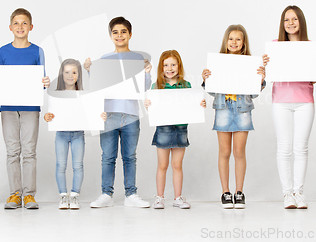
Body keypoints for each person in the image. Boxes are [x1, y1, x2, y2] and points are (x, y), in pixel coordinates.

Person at [0, 8, 50, 209]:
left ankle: (29, 195)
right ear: (10, 27)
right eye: (16, 23)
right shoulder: (2, 51)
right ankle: (14, 194)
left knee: (29, 151)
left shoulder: (38, 51)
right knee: (12, 151)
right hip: (8, 108)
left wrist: (45, 81)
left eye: (24, 23)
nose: (20, 27)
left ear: (31, 27)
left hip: (30, 107)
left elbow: (42, 80)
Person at [84, 16, 152, 208]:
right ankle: (107, 193)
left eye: (123, 32)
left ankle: (131, 194)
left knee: (130, 156)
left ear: (130, 34)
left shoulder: (138, 58)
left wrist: (147, 72)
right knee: (108, 156)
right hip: (109, 113)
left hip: (131, 113)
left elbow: (144, 87)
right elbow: (97, 86)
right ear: (110, 35)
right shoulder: (105, 59)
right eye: (115, 32)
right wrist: (90, 71)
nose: (119, 35)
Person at [263, 5, 316, 209]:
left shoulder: (310, 47)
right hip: (281, 100)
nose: (290, 23)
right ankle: (287, 194)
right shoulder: (275, 46)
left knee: (301, 148)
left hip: (304, 101)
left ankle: (299, 192)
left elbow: (314, 79)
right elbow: (267, 74)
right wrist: (265, 65)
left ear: (301, 22)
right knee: (284, 147)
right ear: (282, 24)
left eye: (294, 19)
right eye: (286, 20)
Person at [201, 25, 266, 209]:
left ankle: (239, 192)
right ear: (226, 41)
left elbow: (253, 94)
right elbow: (212, 91)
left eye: (238, 39)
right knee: (224, 152)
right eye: (231, 39)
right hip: (223, 108)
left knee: (239, 152)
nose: (234, 42)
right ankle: (225, 192)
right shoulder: (218, 62)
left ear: (243, 42)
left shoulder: (250, 63)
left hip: (242, 108)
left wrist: (260, 80)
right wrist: (206, 80)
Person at [145, 50, 206, 209]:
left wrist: (199, 105)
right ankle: (159, 198)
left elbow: (192, 105)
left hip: (180, 130)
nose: (169, 68)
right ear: (161, 67)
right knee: (162, 165)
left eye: (173, 64)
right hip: (163, 130)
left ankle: (178, 198)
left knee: (177, 165)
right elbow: (153, 109)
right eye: (166, 65)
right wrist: (148, 106)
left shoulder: (186, 85)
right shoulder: (156, 86)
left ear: (179, 66)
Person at [44, 59, 107, 209]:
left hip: (78, 134)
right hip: (61, 134)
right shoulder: (55, 94)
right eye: (66, 72)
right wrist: (47, 117)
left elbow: (92, 112)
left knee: (78, 165)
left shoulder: (84, 95)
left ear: (79, 75)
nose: (70, 76)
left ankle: (74, 196)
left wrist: (100, 115)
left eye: (74, 72)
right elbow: (50, 114)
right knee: (61, 165)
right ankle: (63, 196)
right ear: (61, 74)